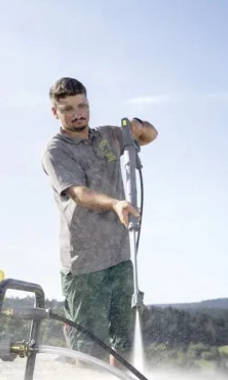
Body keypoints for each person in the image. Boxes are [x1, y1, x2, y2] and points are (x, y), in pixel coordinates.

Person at [40, 77, 158, 364]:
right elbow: (79, 194)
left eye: (82, 106)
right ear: (55, 112)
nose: (77, 114)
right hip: (84, 263)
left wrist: (138, 126)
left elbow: (150, 135)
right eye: (68, 109)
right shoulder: (56, 151)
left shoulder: (107, 137)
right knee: (90, 350)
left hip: (119, 255)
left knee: (126, 341)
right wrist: (115, 203)